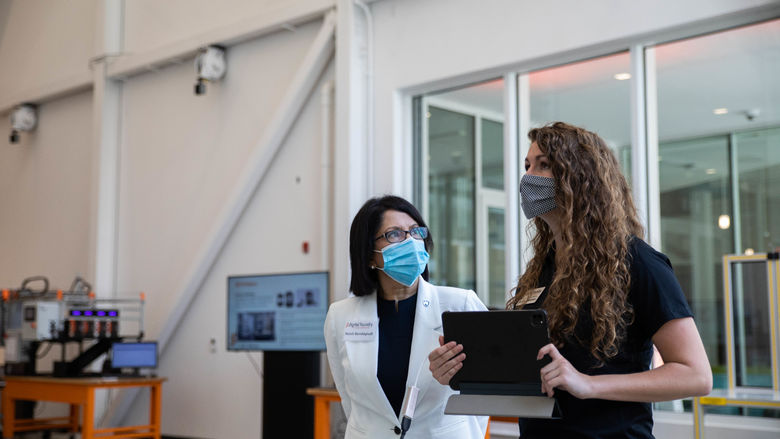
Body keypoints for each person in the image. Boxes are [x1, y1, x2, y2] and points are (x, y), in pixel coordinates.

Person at [429, 122, 712, 438]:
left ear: (580, 176)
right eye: (528, 166)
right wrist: (464, 369)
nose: (529, 177)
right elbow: (538, 369)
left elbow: (695, 375)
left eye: (544, 165)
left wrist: (588, 384)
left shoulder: (638, 262)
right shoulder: (544, 267)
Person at [325, 195, 488, 439]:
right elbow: (351, 402)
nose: (411, 241)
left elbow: (488, 393)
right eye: (395, 234)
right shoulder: (340, 316)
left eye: (415, 232)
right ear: (369, 254)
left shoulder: (460, 304)